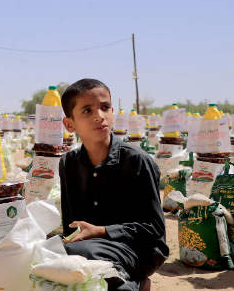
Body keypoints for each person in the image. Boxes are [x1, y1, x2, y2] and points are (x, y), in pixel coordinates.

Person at [59, 79, 168, 291]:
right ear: (70, 124)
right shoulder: (68, 163)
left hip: (138, 250)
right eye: (87, 111)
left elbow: (154, 228)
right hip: (88, 248)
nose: (99, 116)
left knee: (84, 256)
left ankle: (137, 279)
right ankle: (135, 285)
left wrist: (101, 231)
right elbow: (71, 224)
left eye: (104, 107)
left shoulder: (137, 161)